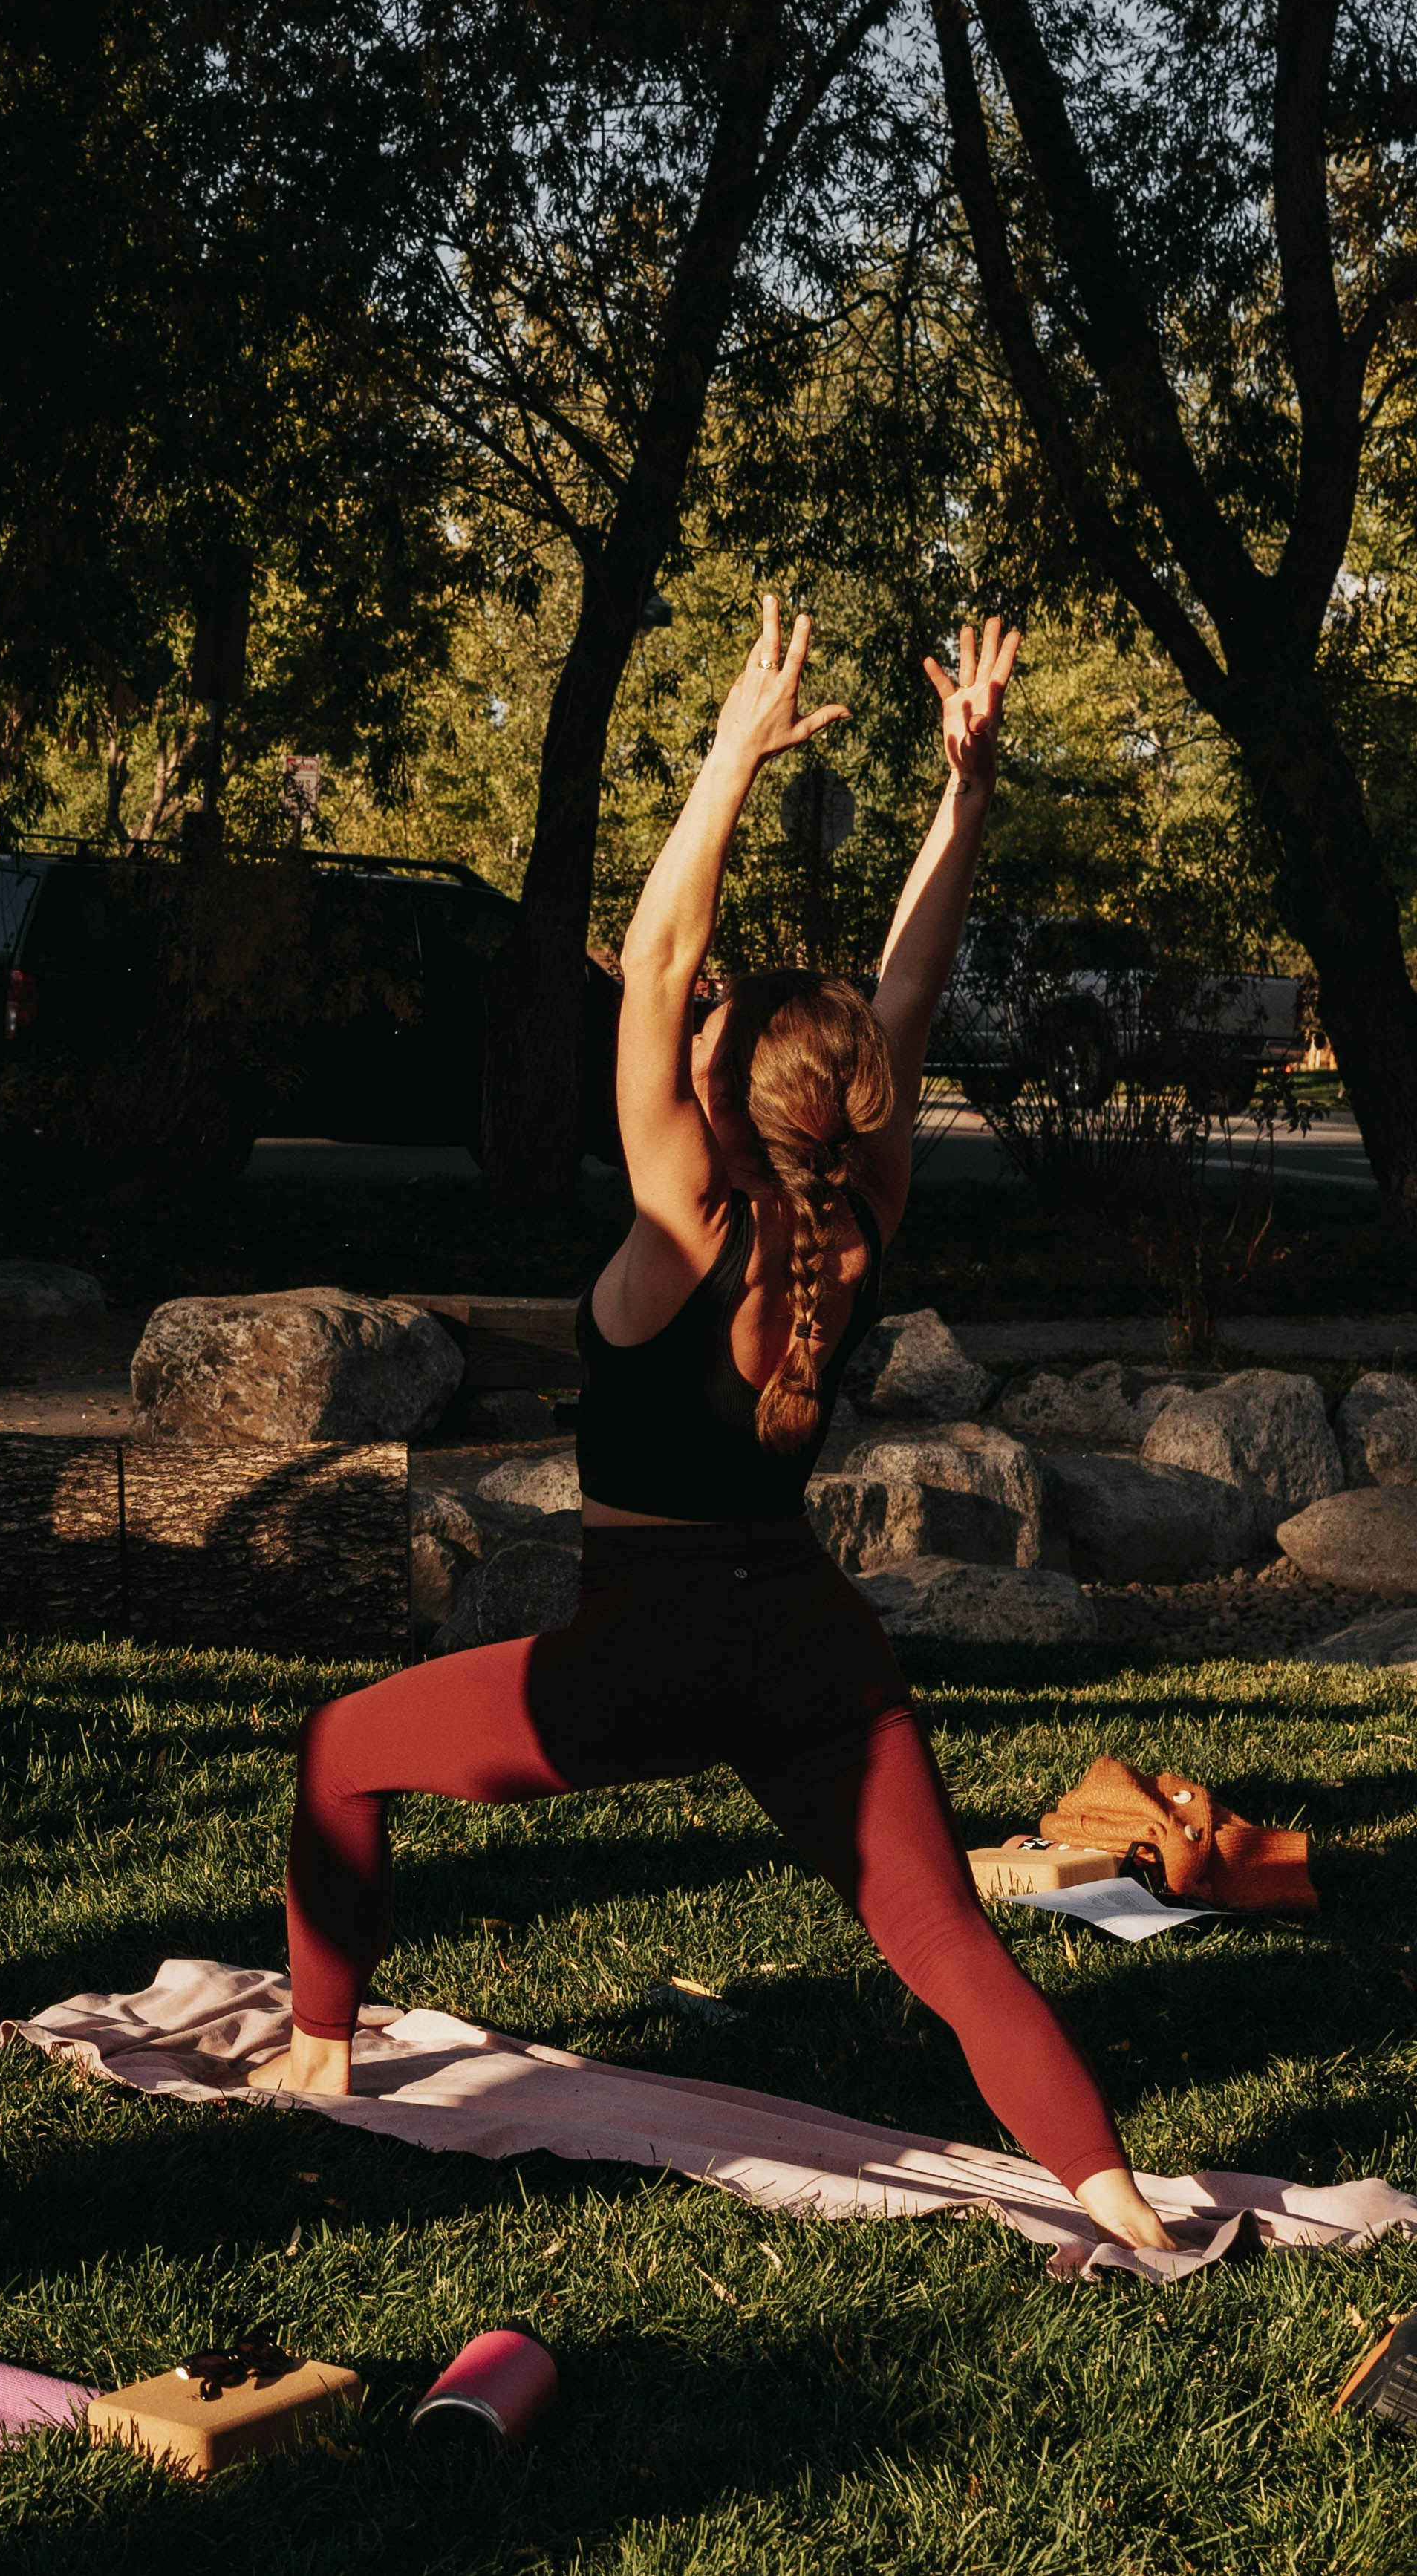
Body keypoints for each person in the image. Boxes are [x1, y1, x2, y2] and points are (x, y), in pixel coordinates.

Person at [251, 600, 1173, 2255]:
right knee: (945, 1936)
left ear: (728, 1092)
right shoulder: (858, 1212)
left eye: (702, 1035)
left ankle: (319, 2064)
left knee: (339, 1750)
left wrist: (731, 752)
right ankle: (1115, 2195)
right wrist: (963, 799)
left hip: (644, 1656)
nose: (677, 1024)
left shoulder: (684, 1216)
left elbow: (663, 955)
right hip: (815, 1644)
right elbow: (906, 991)